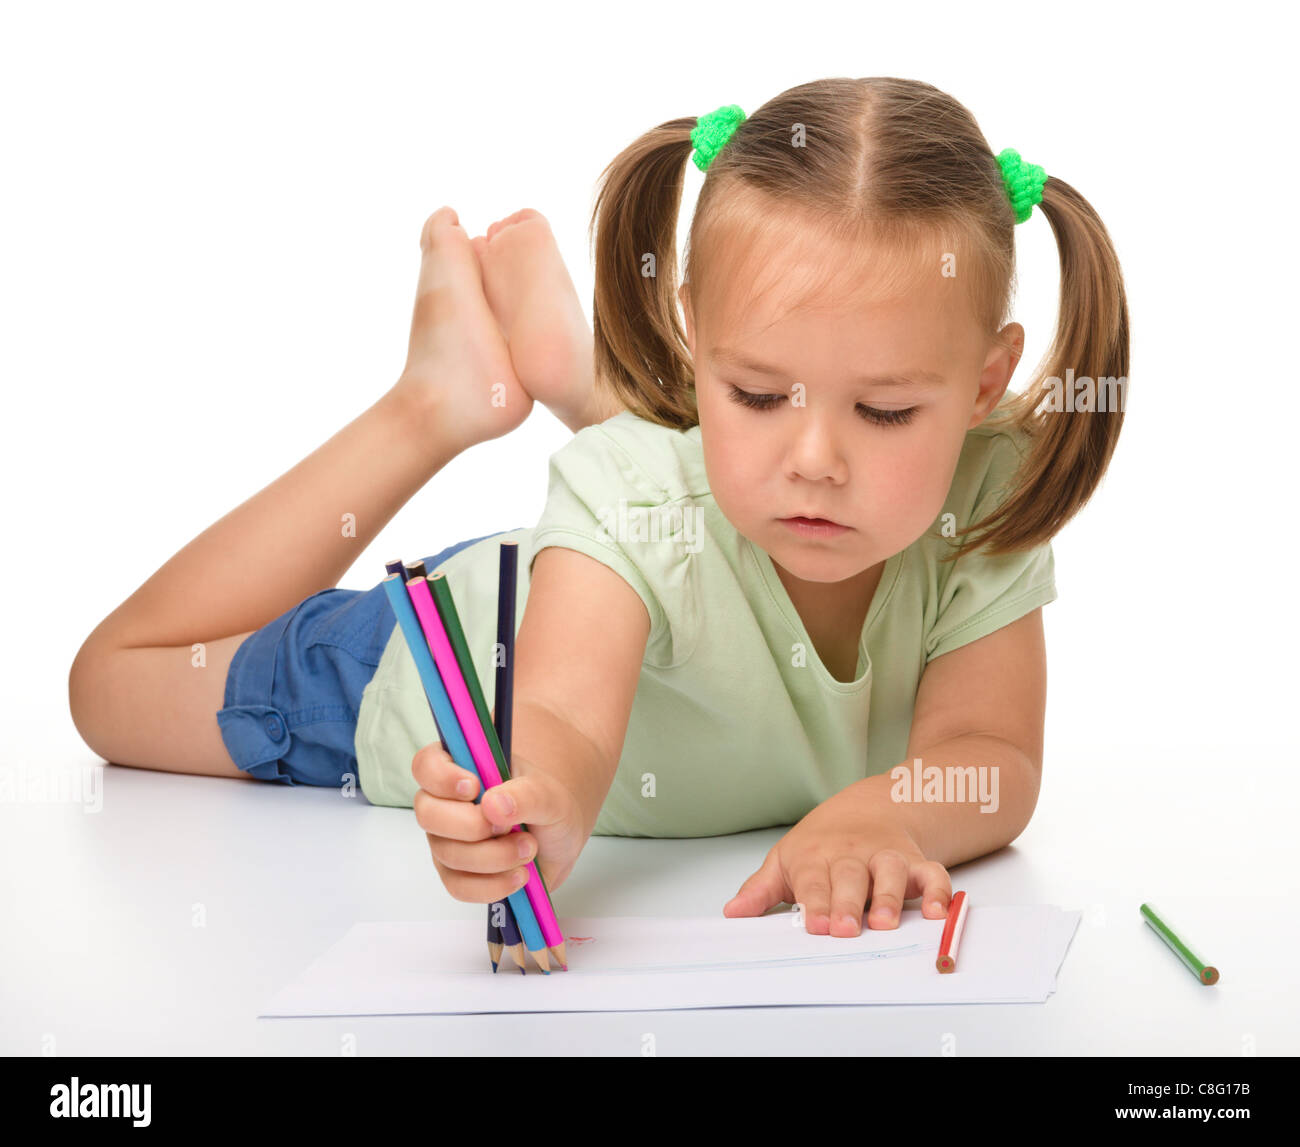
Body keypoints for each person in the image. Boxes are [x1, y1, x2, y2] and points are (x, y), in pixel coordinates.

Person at [69, 76, 1127, 938]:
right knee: (109, 685)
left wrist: (869, 819)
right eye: (756, 395)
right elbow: (563, 719)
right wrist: (538, 808)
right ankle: (435, 402)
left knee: (647, 490)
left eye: (886, 410)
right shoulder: (620, 506)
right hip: (438, 645)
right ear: (696, 339)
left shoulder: (985, 493)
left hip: (629, 537)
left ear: (986, 383)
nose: (815, 462)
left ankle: (594, 388)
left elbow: (992, 756)